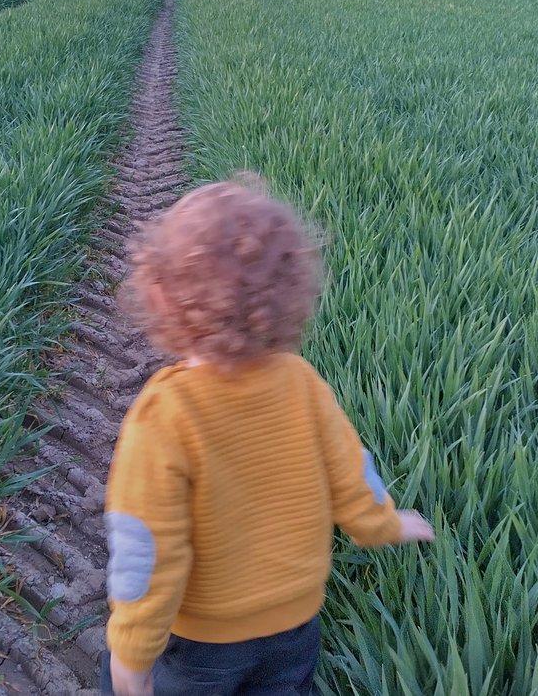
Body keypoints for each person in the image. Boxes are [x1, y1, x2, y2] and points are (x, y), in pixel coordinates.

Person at [101, 176, 435, 696]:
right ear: (290, 291)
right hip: (294, 625)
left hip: (202, 645)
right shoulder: (302, 383)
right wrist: (384, 523)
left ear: (162, 299)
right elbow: (352, 468)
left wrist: (131, 655)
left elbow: (147, 549)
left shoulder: (163, 416)